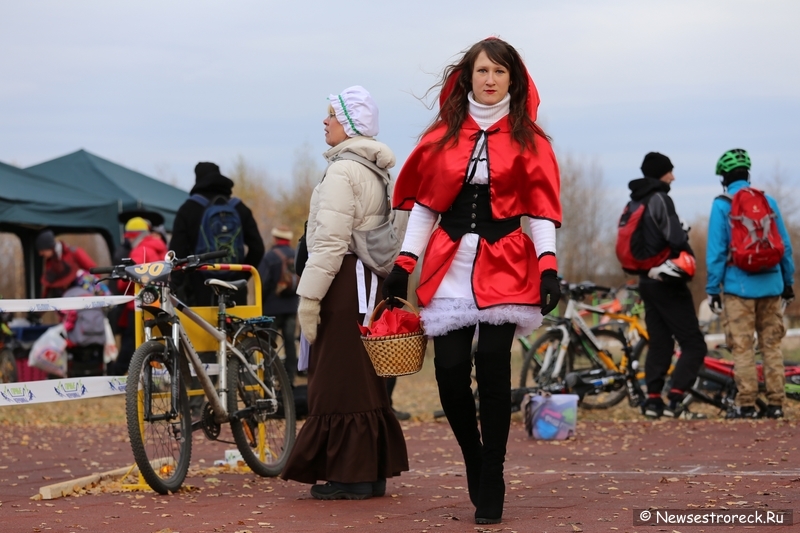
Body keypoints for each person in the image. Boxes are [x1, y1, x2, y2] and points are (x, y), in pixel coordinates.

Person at [383, 37, 562, 525]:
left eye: (499, 72)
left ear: (513, 80)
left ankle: (494, 474)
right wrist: (403, 262)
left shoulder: (531, 140)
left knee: (492, 362)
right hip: (450, 263)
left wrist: (548, 265)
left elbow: (541, 209)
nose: (490, 80)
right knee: (448, 375)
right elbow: (425, 207)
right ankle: (475, 458)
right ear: (468, 76)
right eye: (482, 71)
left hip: (507, 263)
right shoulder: (442, 137)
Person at [281, 85, 409, 500]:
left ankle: (348, 477)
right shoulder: (375, 169)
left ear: (350, 123)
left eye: (332, 115)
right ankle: (369, 473)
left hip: (343, 282)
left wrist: (310, 297)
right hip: (367, 283)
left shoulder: (343, 171)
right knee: (363, 379)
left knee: (336, 380)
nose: (325, 121)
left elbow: (330, 243)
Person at [706, 149, 795, 419]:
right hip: (771, 284)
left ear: (724, 178)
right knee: (771, 345)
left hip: (738, 288)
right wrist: (787, 281)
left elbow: (717, 251)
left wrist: (713, 289)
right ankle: (777, 404)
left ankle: (746, 403)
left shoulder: (722, 204)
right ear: (748, 174)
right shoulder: (767, 201)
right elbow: (786, 247)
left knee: (743, 346)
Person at [624, 153, 707, 420]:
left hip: (646, 280)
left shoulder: (634, 200)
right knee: (694, 343)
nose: (672, 177)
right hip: (668, 279)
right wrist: (684, 239)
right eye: (669, 172)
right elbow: (674, 237)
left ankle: (653, 401)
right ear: (660, 173)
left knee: (659, 342)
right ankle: (675, 398)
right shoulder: (661, 198)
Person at [168, 162, 264, 306]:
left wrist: (178, 285)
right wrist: (241, 275)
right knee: (237, 327)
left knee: (201, 329)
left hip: (200, 290)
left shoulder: (188, 209)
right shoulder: (240, 208)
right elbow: (258, 248)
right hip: (235, 290)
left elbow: (177, 253)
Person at [109, 217, 168, 375]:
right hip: (160, 303)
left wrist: (120, 281)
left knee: (130, 343)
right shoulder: (161, 248)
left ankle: (115, 376)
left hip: (137, 305)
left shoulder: (139, 251)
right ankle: (158, 377)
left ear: (133, 236)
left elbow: (125, 283)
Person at [258, 226, 300, 385]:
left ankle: (268, 377)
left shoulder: (270, 257)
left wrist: (261, 303)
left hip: (272, 307)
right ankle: (290, 379)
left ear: (275, 238)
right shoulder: (296, 255)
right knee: (290, 343)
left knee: (269, 343)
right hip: (291, 306)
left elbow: (262, 282)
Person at [62, 270, 111, 377]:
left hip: (79, 337)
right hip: (99, 335)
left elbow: (67, 318)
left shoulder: (75, 290)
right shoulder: (89, 289)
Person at [35, 229, 97, 298]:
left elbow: (94, 271)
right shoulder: (50, 261)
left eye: (42, 251)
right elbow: (50, 282)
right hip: (62, 296)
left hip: (80, 294)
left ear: (49, 247)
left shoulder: (74, 252)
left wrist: (85, 289)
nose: (40, 254)